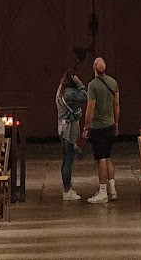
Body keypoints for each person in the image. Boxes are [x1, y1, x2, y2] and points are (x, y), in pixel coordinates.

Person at [84, 55, 119, 203]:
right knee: (108, 156)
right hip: (110, 124)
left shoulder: (93, 85)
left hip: (98, 127)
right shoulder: (113, 82)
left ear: (94, 68)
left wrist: (86, 127)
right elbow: (116, 105)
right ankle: (113, 189)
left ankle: (103, 191)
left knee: (101, 159)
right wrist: (116, 122)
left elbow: (90, 108)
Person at [56, 71, 87, 201]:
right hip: (68, 129)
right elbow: (85, 96)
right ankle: (67, 190)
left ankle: (67, 187)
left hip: (62, 127)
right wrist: (79, 83)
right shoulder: (70, 93)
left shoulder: (60, 91)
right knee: (68, 160)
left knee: (66, 159)